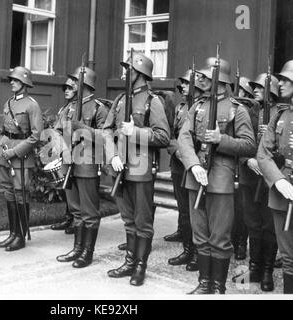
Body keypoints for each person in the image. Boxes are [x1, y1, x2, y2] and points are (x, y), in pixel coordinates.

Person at [178, 57, 256, 294]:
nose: (200, 79)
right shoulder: (197, 106)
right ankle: (204, 283)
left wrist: (222, 140)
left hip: (221, 179)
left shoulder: (237, 109)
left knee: (219, 237)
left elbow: (249, 145)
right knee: (199, 233)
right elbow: (183, 137)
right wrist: (193, 165)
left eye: (205, 76)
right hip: (195, 177)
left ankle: (218, 287)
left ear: (218, 79)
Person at [103, 53, 170, 286]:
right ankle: (130, 261)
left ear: (140, 74)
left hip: (141, 170)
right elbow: (106, 130)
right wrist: (112, 156)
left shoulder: (154, 101)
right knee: (128, 218)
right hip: (119, 168)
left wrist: (137, 132)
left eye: (128, 70)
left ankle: (140, 266)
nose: (124, 74)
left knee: (143, 221)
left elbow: (163, 136)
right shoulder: (121, 99)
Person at [55, 67, 110, 268]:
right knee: (76, 210)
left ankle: (87, 252)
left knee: (89, 212)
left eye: (75, 82)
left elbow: (106, 137)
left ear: (84, 84)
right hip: (70, 162)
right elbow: (57, 130)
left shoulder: (98, 108)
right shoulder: (69, 108)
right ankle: (77, 248)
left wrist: (83, 129)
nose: (71, 86)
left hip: (87, 163)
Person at [231, 73, 280, 291]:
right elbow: (238, 139)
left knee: (269, 225)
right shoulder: (247, 111)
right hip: (250, 176)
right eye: (255, 86)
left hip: (271, 179)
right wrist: (246, 159)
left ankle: (268, 271)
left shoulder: (281, 114)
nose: (255, 89)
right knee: (252, 223)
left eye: (260, 86)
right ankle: (254, 269)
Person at [0, 66, 43, 251]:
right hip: (4, 153)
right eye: (11, 80)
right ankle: (12, 234)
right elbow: (4, 132)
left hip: (21, 155)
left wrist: (15, 152)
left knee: (20, 192)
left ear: (24, 82)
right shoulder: (8, 103)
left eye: (15, 80)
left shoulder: (32, 105)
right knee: (8, 191)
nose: (11, 82)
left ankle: (20, 236)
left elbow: (36, 136)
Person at [257, 60, 293, 294]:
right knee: (288, 255)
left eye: (287, 80)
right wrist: (278, 180)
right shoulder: (279, 114)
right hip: (283, 190)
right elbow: (263, 153)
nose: (281, 84)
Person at [167, 69, 204, 272]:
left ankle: (199, 252)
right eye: (182, 83)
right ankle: (188, 248)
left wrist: (188, 156)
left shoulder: (203, 108)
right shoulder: (181, 106)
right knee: (183, 208)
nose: (182, 87)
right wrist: (178, 152)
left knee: (196, 211)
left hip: (195, 166)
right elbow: (171, 136)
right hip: (178, 164)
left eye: (187, 83)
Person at [230, 76, 255, 261]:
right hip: (230, 163)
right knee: (230, 210)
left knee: (242, 211)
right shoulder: (230, 108)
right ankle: (232, 241)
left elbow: (250, 141)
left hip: (244, 167)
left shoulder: (249, 111)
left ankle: (241, 244)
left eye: (238, 90)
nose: (234, 93)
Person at [50, 78, 78, 235]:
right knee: (65, 186)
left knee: (72, 186)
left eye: (70, 88)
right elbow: (57, 129)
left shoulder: (77, 107)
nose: (66, 90)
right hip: (62, 149)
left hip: (73, 151)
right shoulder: (64, 108)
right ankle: (69, 217)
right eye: (65, 88)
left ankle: (76, 219)